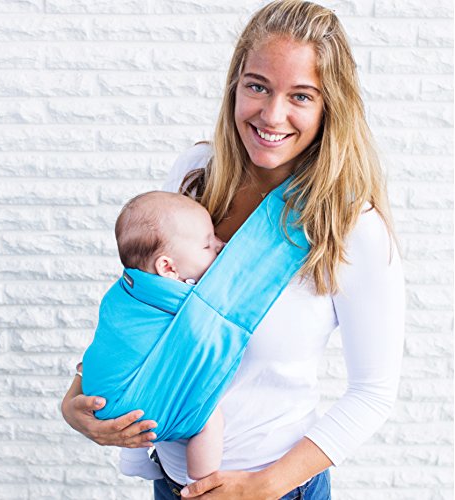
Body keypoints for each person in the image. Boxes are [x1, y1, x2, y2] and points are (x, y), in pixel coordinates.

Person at [61, 1, 405, 498]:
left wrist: (264, 486)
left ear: (331, 106)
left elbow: (373, 393)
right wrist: (80, 395)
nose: (272, 115)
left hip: (276, 491)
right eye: (257, 86)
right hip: (172, 484)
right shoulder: (196, 174)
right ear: (235, 86)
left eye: (301, 96)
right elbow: (147, 302)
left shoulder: (349, 226)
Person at [81, 191, 225, 484]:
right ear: (168, 268)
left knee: (144, 393)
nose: (221, 245)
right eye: (208, 244)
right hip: (127, 402)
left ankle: (132, 459)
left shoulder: (127, 288)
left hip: (98, 390)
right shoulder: (182, 302)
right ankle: (202, 482)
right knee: (209, 418)